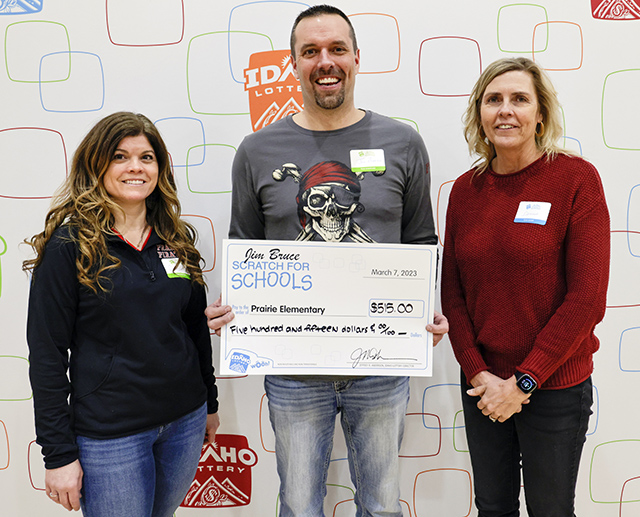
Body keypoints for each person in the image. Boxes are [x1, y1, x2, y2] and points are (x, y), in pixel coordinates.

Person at [206, 5, 448, 516]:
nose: (325, 61)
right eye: (311, 51)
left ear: (357, 58)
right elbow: (244, 247)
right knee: (298, 506)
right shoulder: (256, 150)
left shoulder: (403, 142)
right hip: (293, 371)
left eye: (337, 49)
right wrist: (234, 309)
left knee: (382, 506)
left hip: (381, 365)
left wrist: (421, 309)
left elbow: (422, 242)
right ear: (293, 62)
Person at [24, 112, 219, 516]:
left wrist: (210, 403)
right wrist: (58, 455)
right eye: (119, 156)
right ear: (96, 166)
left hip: (185, 420)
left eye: (146, 157)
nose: (135, 167)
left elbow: (193, 329)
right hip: (111, 437)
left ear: (159, 169)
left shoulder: (175, 240)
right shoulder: (69, 246)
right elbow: (46, 355)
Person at [441, 57, 610, 517]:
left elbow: (587, 299)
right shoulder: (465, 190)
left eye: (519, 99)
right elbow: (453, 296)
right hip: (483, 387)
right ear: (480, 113)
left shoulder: (576, 180)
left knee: (550, 510)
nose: (505, 110)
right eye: (493, 100)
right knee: (493, 508)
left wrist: (524, 381)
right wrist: (480, 375)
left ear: (540, 114)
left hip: (554, 388)